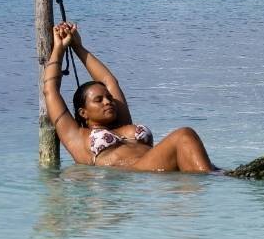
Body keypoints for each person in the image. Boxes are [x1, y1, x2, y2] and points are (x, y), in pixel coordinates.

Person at [42, 22, 217, 172]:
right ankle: (211, 181)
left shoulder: (122, 121)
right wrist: (59, 48)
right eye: (99, 100)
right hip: (136, 173)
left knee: (189, 145)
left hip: (158, 169)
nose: (108, 102)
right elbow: (50, 90)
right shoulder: (77, 137)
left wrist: (78, 47)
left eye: (109, 97)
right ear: (83, 112)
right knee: (183, 135)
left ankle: (212, 178)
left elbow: (108, 80)